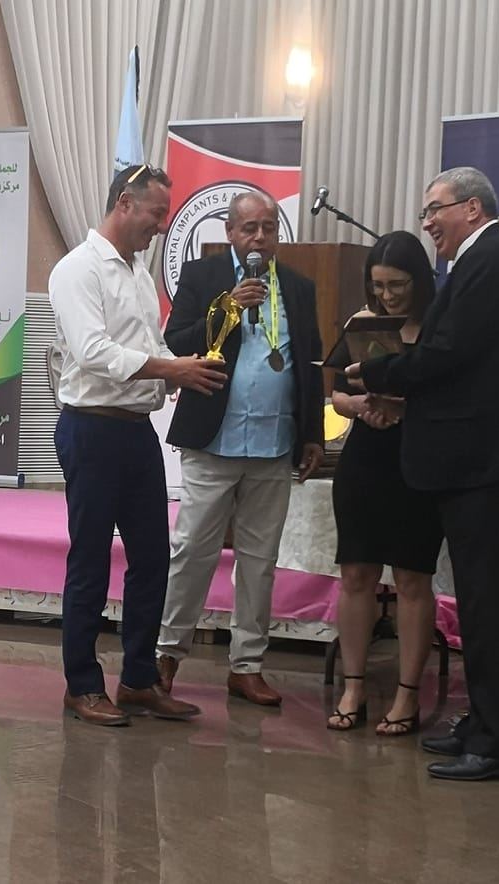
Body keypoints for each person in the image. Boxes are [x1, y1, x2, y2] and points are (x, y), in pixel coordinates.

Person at [347, 167, 499, 780]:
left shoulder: (494, 261)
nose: (426, 222)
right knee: (481, 603)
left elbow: (449, 354)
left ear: (472, 208)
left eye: (435, 209)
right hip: (487, 461)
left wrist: (378, 372)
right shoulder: (485, 261)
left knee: (493, 605)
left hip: (498, 464)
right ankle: (485, 725)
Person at [50, 163, 228, 726]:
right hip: (91, 430)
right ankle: (82, 686)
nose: (161, 225)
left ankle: (138, 680)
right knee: (90, 560)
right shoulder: (77, 269)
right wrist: (171, 369)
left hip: (135, 432)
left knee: (152, 558)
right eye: (156, 213)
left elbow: (149, 345)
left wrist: (179, 369)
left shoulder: (138, 273)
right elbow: (93, 353)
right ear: (124, 203)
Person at [156, 190, 325, 706]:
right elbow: (177, 340)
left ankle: (247, 665)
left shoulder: (298, 287)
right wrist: (228, 306)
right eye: (249, 228)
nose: (259, 238)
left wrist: (313, 434)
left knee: (259, 560)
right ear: (230, 232)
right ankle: (165, 655)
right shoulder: (203, 276)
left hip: (274, 444)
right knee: (192, 551)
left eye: (268, 228)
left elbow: (309, 363)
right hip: (214, 441)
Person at [327, 232, 443, 735]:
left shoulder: (440, 326)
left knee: (413, 579)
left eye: (397, 285)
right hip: (365, 461)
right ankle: (353, 688)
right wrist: (359, 405)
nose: (387, 295)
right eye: (378, 286)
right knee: (356, 574)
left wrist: (403, 408)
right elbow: (337, 392)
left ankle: (407, 696)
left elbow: (452, 397)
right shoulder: (363, 323)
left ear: (419, 280)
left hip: (418, 462)